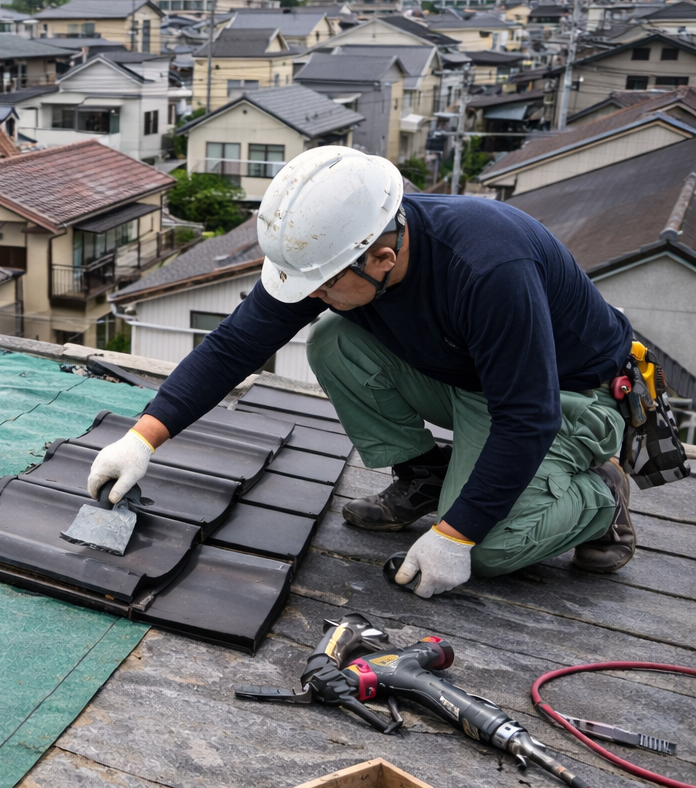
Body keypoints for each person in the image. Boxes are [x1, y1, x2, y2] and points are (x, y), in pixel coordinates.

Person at [86, 146, 637, 598]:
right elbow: (235, 345)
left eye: (323, 286)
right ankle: (427, 475)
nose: (313, 295)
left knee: (490, 549)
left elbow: (526, 416)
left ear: (382, 259)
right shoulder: (343, 245)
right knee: (332, 340)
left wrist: (456, 535)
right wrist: (143, 437)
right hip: (472, 377)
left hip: (565, 400)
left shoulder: (490, 268)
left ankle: (601, 498)